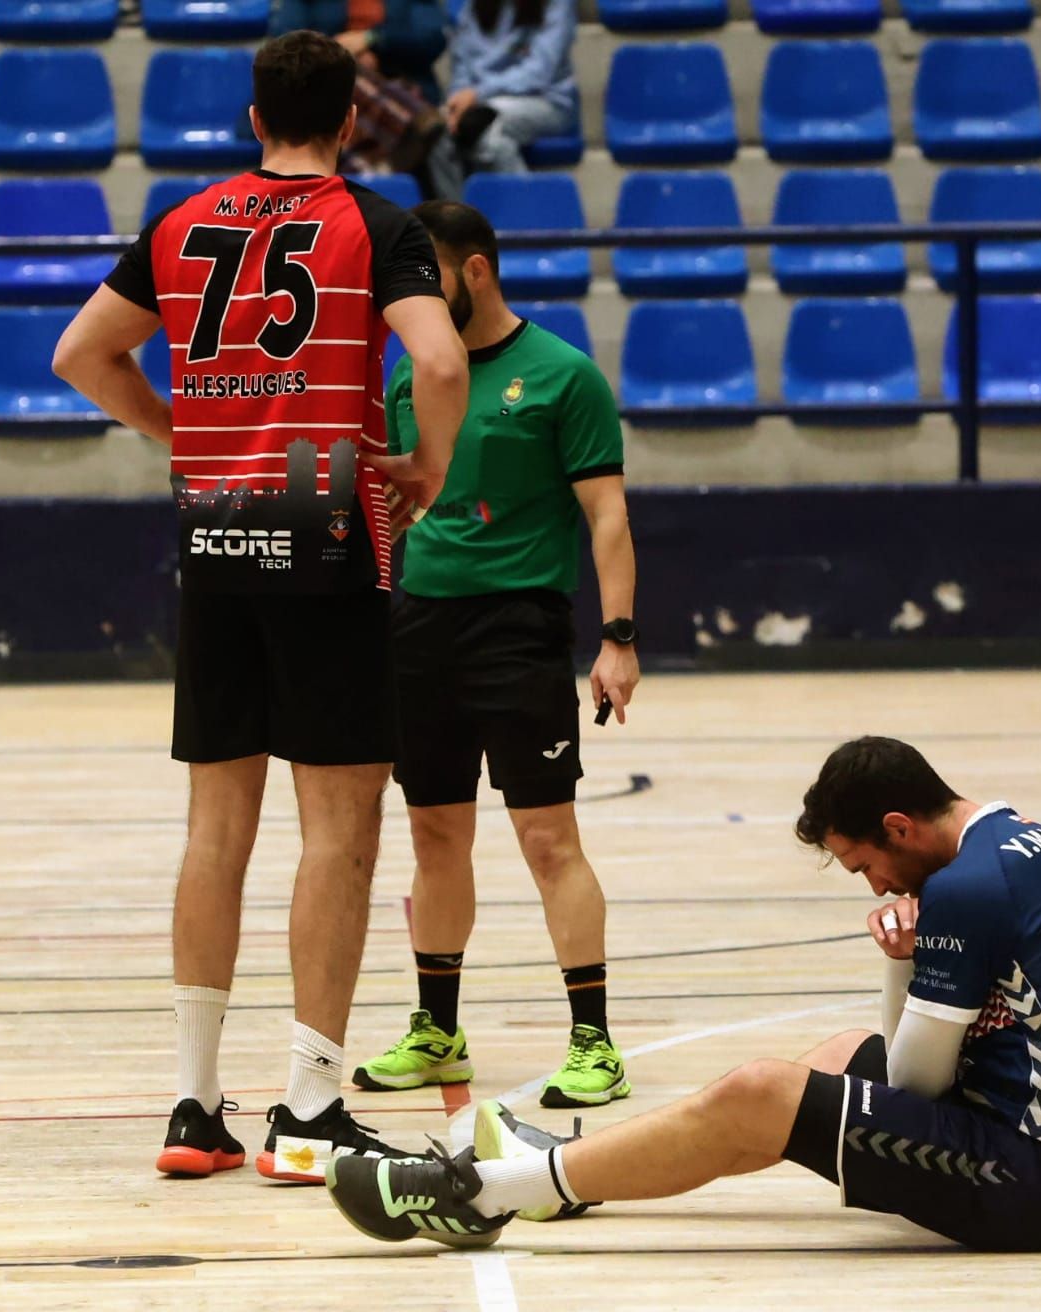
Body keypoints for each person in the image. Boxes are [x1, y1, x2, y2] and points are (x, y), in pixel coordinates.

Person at [51, 32, 468, 1184]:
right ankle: (308, 1107)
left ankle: (193, 1104)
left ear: (250, 120)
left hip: (218, 533)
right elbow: (437, 363)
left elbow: (83, 352)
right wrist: (428, 469)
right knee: (337, 830)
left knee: (214, 826)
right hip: (327, 532)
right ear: (349, 123)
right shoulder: (378, 226)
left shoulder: (183, 224)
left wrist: (184, 434)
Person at [329, 737, 1041, 1252]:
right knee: (831, 1060)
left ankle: (489, 1196)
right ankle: (567, 1173)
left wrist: (898, 961)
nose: (874, 883)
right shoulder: (1019, 844)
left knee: (762, 1093)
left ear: (898, 825)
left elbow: (910, 1087)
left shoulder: (966, 891)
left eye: (866, 865)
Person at [350, 200, 640, 1111]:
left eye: (425, 276)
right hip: (419, 630)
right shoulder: (411, 379)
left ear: (473, 271)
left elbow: (606, 514)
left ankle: (594, 1043)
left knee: (547, 837)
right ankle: (437, 1031)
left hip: (519, 629)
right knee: (435, 835)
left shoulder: (563, 377)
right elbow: (400, 505)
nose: (413, 301)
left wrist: (618, 637)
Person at [425, 0, 578, 200]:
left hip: (545, 101)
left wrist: (478, 94)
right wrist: (457, 102)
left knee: (487, 133)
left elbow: (539, 73)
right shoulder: (473, 8)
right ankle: (461, 222)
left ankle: (525, 221)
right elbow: (461, 66)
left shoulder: (557, 4)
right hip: (476, 103)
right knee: (437, 135)